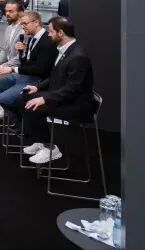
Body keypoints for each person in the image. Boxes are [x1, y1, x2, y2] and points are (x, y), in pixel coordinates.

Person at [16, 17, 96, 165]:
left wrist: (45, 98)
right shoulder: (64, 50)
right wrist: (38, 88)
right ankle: (41, 141)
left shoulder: (78, 56)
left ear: (61, 33)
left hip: (75, 105)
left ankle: (50, 147)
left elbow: (72, 89)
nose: (49, 34)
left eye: (51, 31)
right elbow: (54, 76)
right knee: (24, 98)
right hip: (63, 97)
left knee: (35, 107)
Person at [0, 10, 57, 118]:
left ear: (36, 22)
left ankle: (19, 115)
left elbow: (40, 69)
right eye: (21, 24)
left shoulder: (47, 41)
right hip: (24, 75)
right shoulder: (32, 38)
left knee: (4, 98)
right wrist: (21, 52)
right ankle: (17, 114)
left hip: (36, 79)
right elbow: (26, 63)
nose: (23, 27)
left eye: (25, 24)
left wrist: (13, 69)